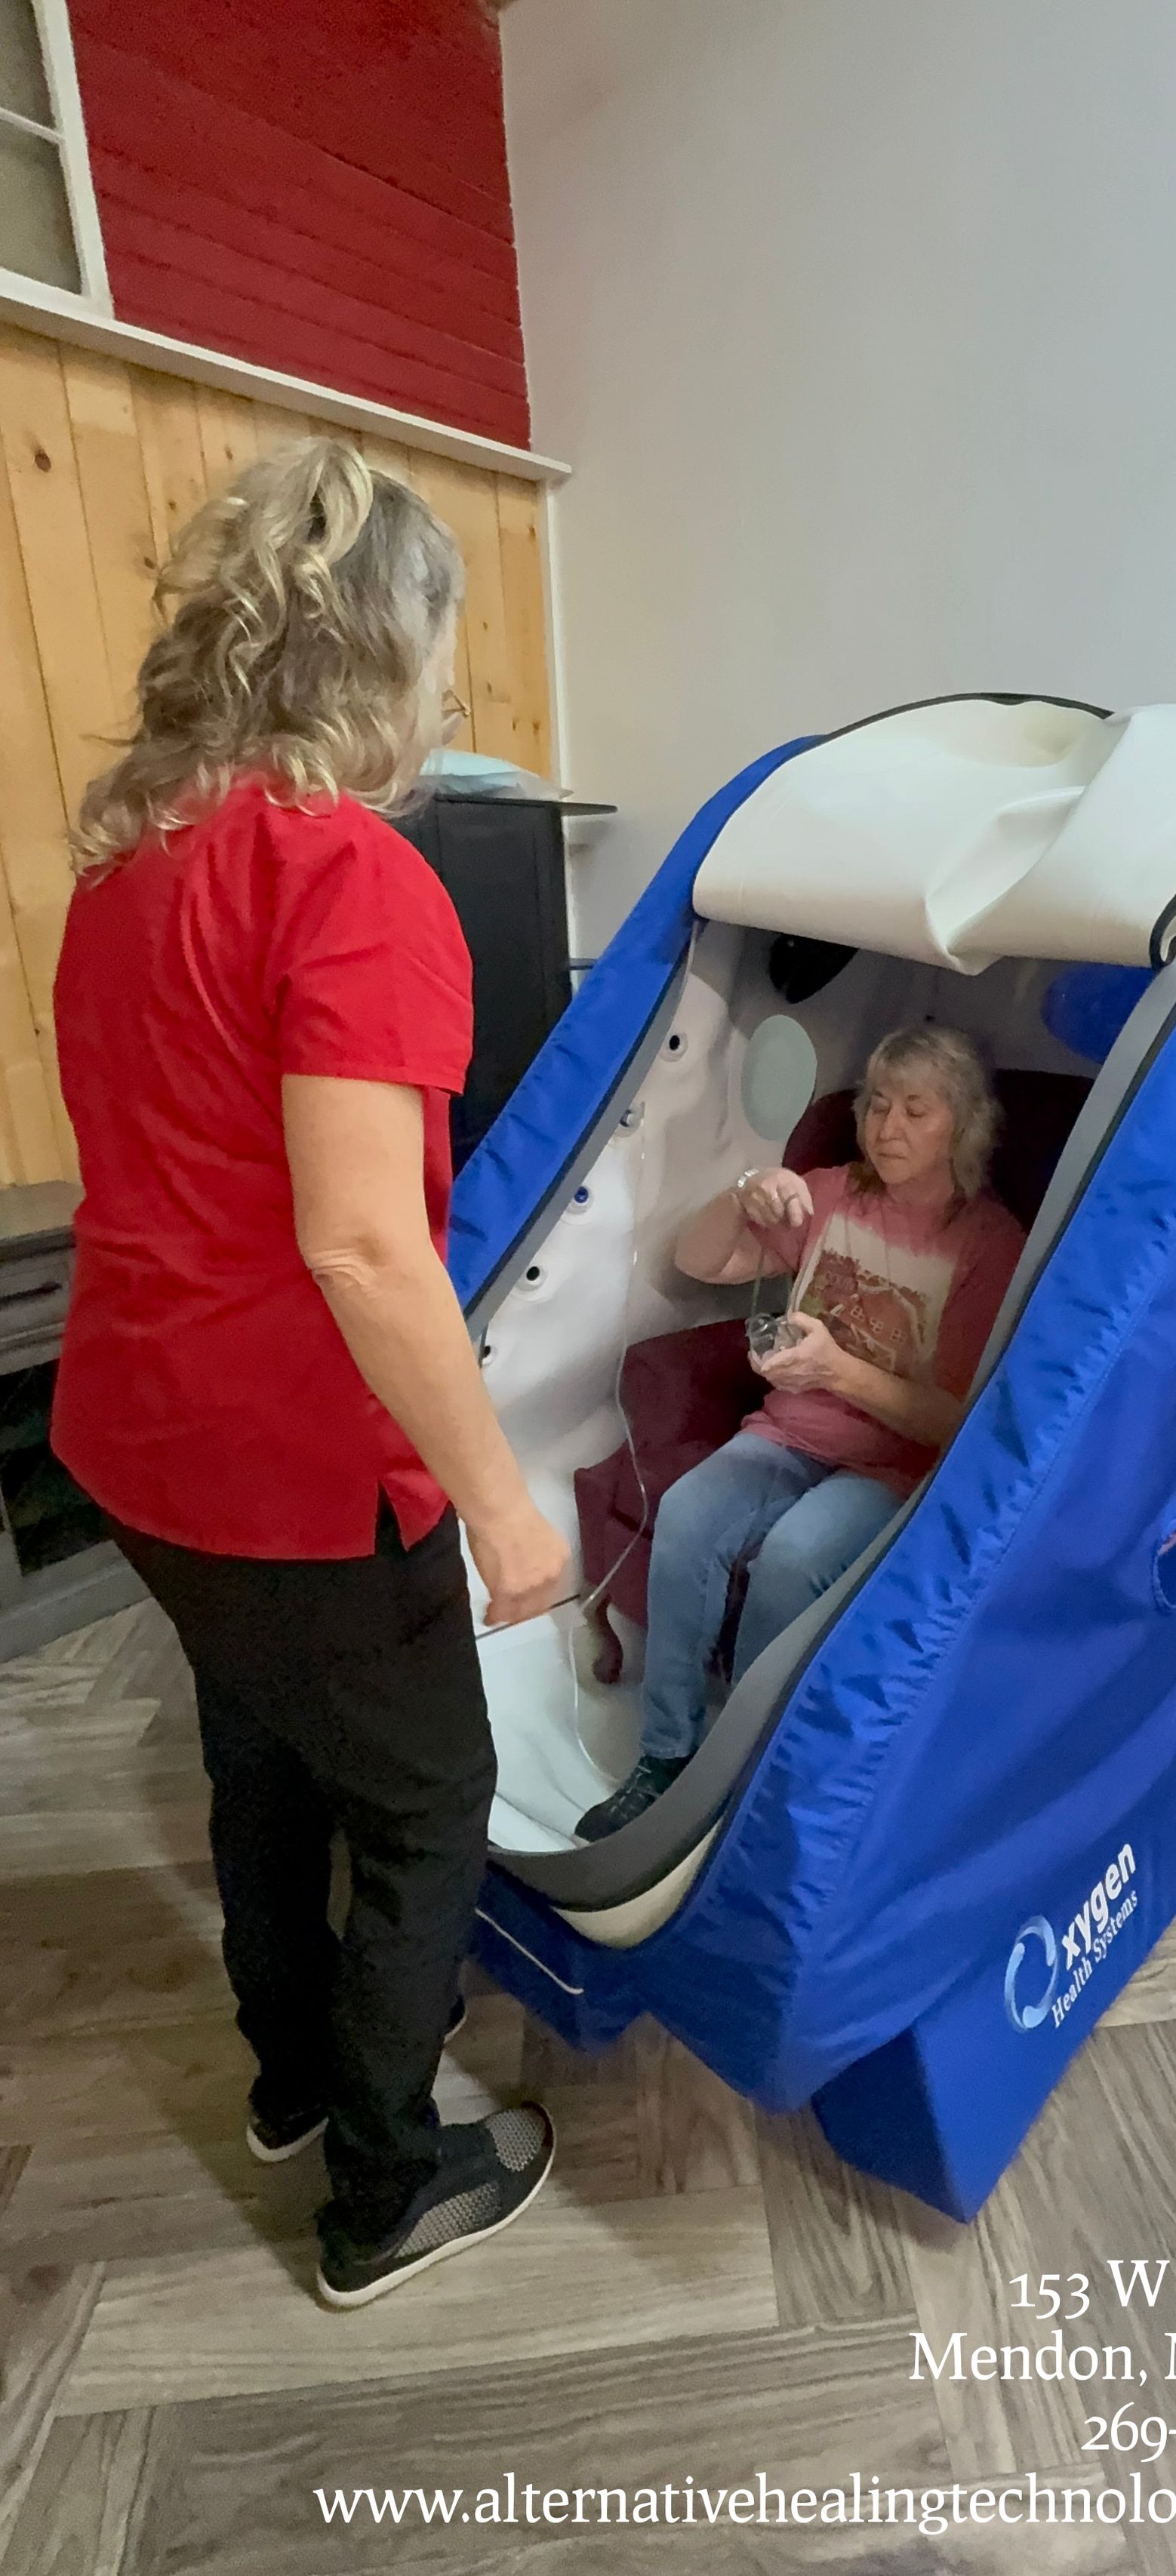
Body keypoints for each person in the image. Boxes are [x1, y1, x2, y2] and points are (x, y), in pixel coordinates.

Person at [52, 438, 569, 2307]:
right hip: (293, 1463)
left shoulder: (126, 873)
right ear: (385, 653)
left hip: (135, 1438)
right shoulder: (349, 875)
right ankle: (384, 2183)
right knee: (427, 1803)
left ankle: (289, 2076)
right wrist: (502, 1505)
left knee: (261, 1748)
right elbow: (361, 1244)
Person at [577, 1024, 1025, 1838]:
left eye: (915, 1109)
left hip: (893, 1464)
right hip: (790, 1432)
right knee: (687, 1512)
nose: (887, 1126)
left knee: (791, 1559)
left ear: (962, 1124)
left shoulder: (990, 1246)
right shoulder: (832, 1192)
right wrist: (744, 1191)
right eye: (876, 1104)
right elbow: (699, 1261)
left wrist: (836, 1371)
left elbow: (958, 1420)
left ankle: (745, 1772)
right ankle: (666, 1755)